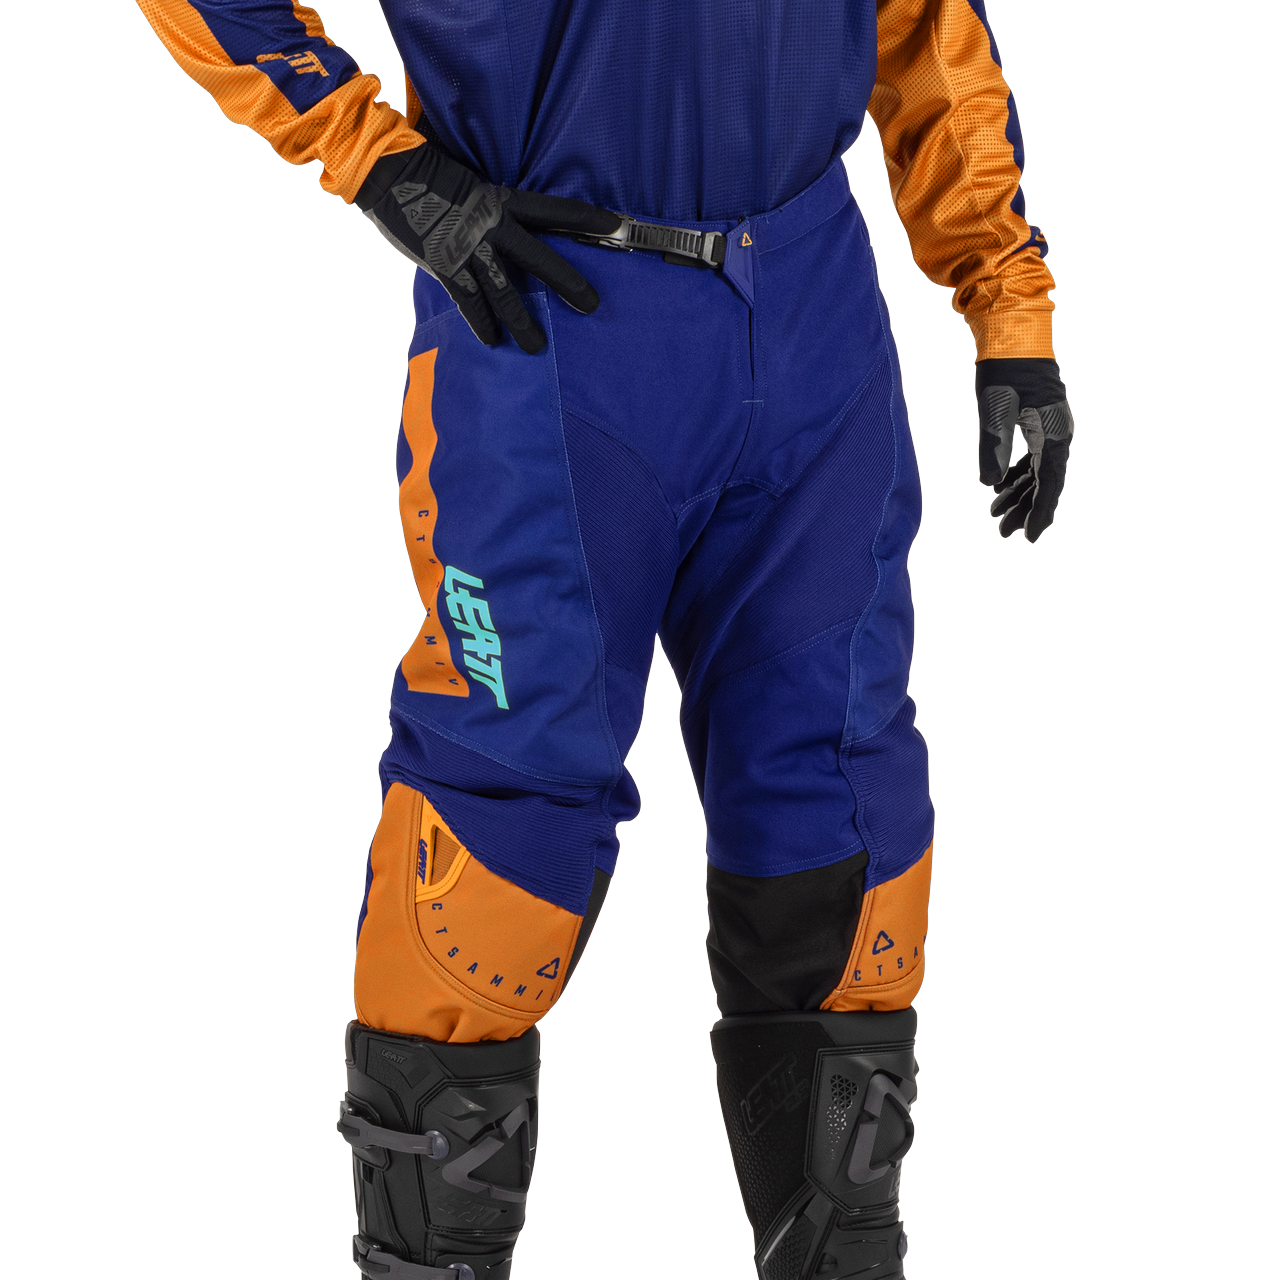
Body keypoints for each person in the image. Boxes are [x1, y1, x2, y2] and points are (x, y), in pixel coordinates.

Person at [137, 3, 1074, 1276]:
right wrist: (374, 158)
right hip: (546, 303)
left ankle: (842, 1249)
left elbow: (926, 26)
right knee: (507, 801)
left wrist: (1006, 305)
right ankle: (429, 1260)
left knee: (842, 786)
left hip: (811, 303)